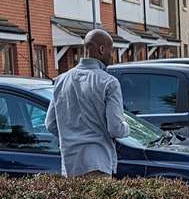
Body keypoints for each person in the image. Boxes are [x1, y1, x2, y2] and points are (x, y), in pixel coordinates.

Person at [44, 29, 129, 176]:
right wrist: (127, 127)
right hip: (98, 163)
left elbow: (50, 124)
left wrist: (70, 135)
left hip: (70, 165)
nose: (112, 55)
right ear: (102, 49)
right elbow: (115, 128)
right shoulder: (109, 82)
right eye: (111, 50)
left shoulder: (61, 80)